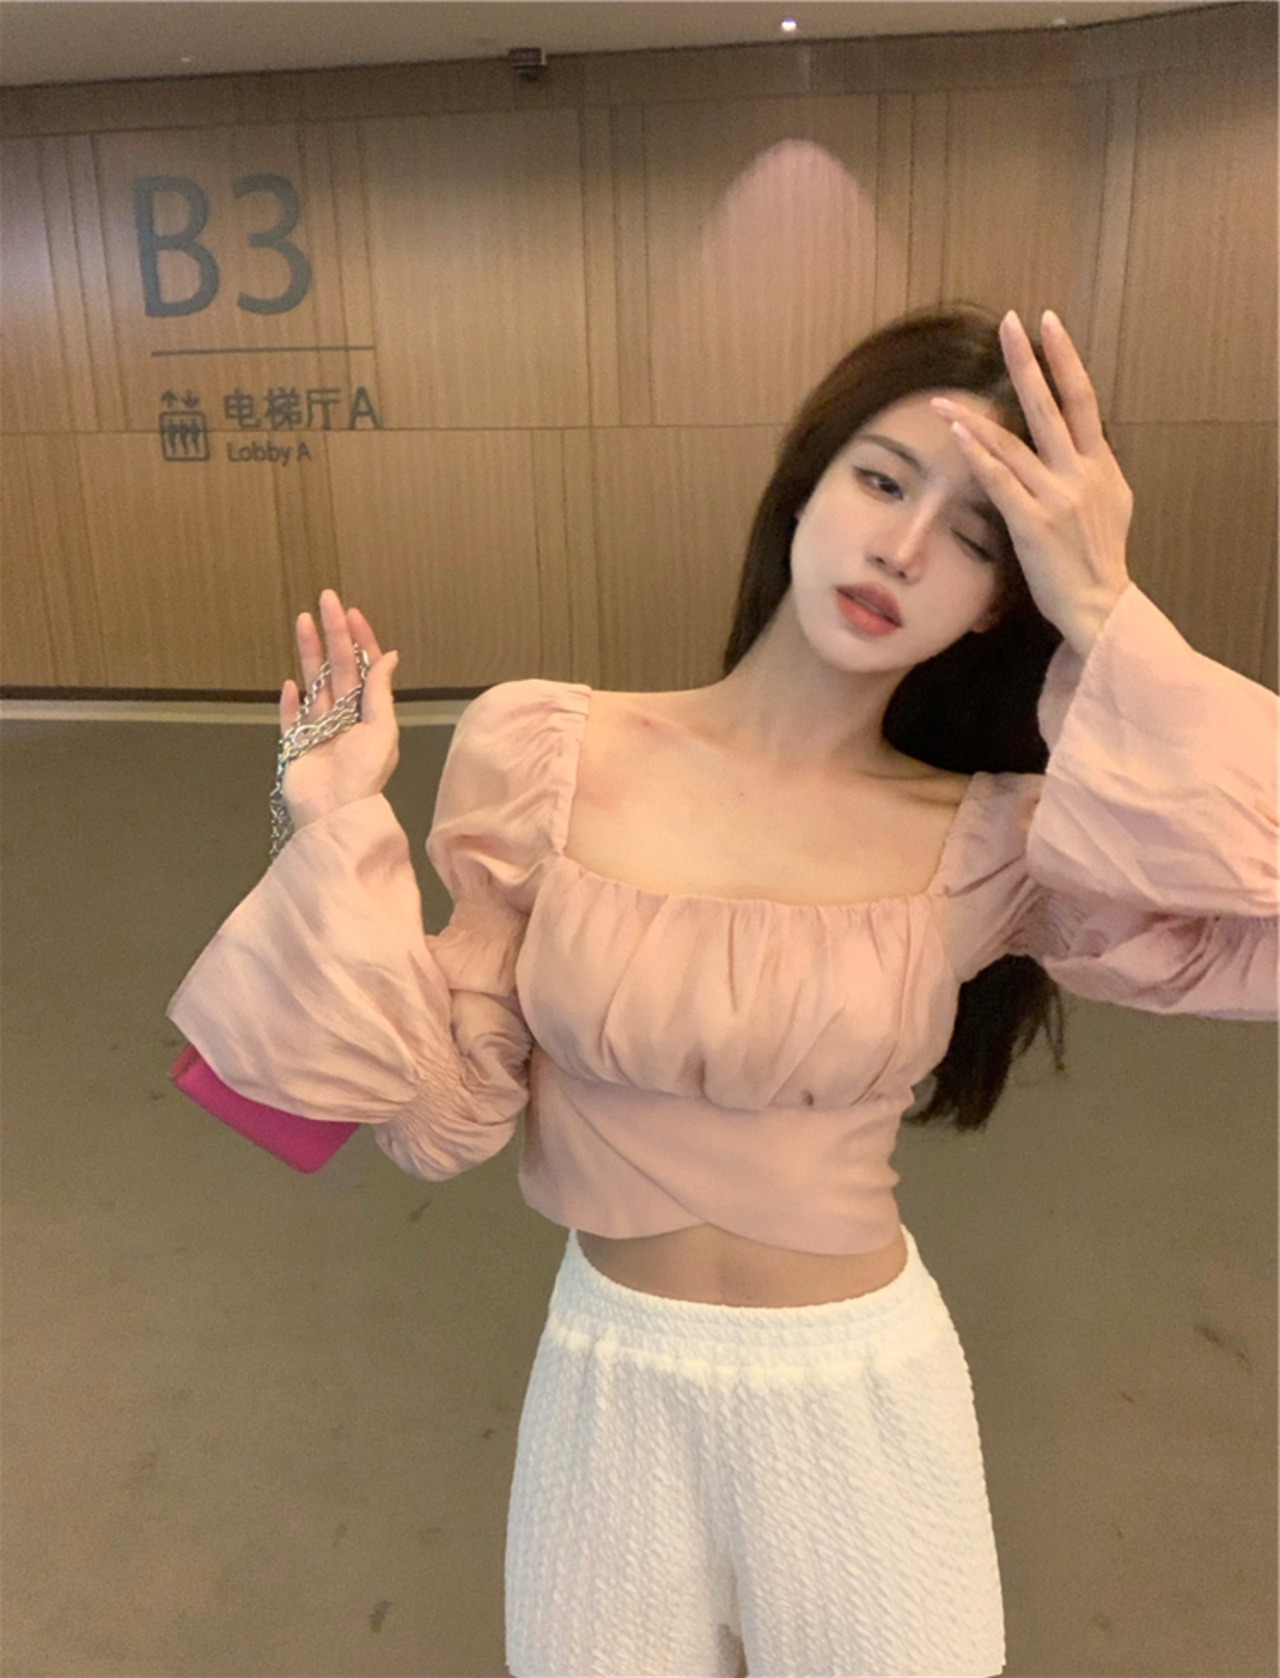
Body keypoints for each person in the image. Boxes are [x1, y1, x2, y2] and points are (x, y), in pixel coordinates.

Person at [165, 301, 1279, 1678]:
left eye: (980, 538)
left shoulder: (996, 838)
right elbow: (442, 1118)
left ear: (1007, 597)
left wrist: (1104, 606)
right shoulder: (546, 753)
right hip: (610, 1384)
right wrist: (330, 822)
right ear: (804, 488)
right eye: (882, 480)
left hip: (859, 1399)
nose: (904, 547)